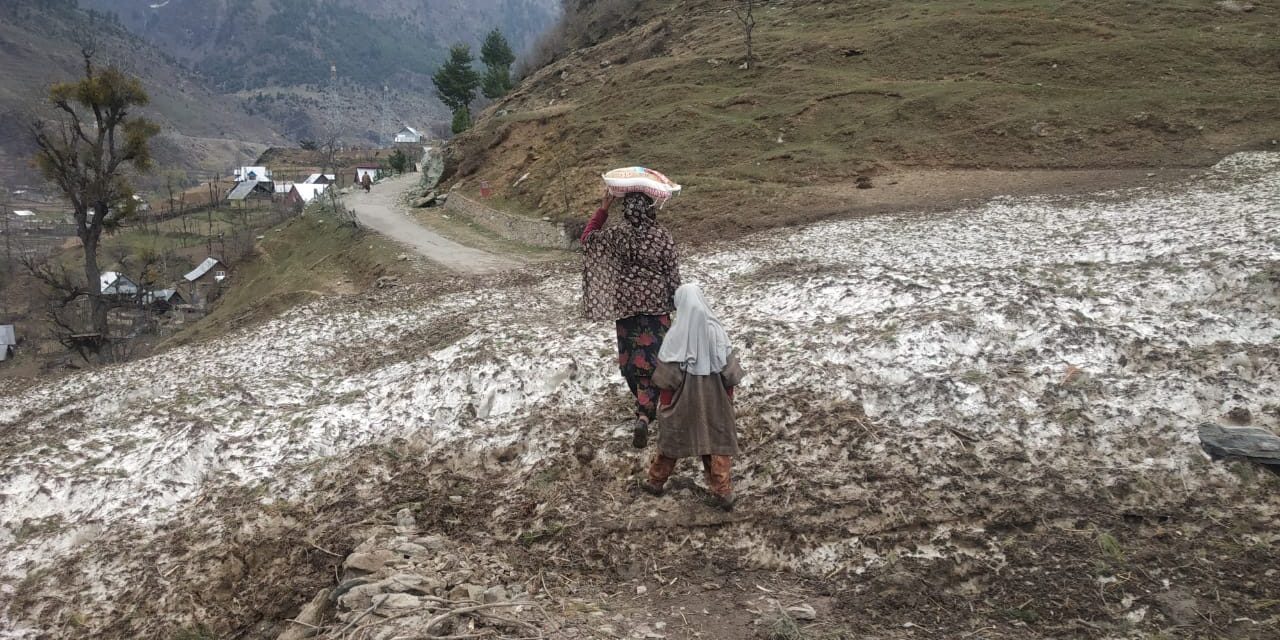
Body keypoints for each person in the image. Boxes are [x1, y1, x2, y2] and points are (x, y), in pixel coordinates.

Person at [581, 189, 681, 449]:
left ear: (626, 210)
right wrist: (677, 303)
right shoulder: (661, 235)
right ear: (649, 208)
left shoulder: (617, 235)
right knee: (655, 362)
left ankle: (642, 410)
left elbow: (588, 239)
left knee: (631, 361)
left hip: (625, 309)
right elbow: (672, 272)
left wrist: (603, 208)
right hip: (656, 310)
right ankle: (646, 413)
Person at [640, 283, 744, 512]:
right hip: (715, 401)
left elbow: (667, 380)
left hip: (682, 403)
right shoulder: (717, 331)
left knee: (671, 442)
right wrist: (728, 397)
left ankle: (655, 482)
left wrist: (665, 405)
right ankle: (723, 491)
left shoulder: (676, 336)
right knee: (716, 443)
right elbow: (730, 373)